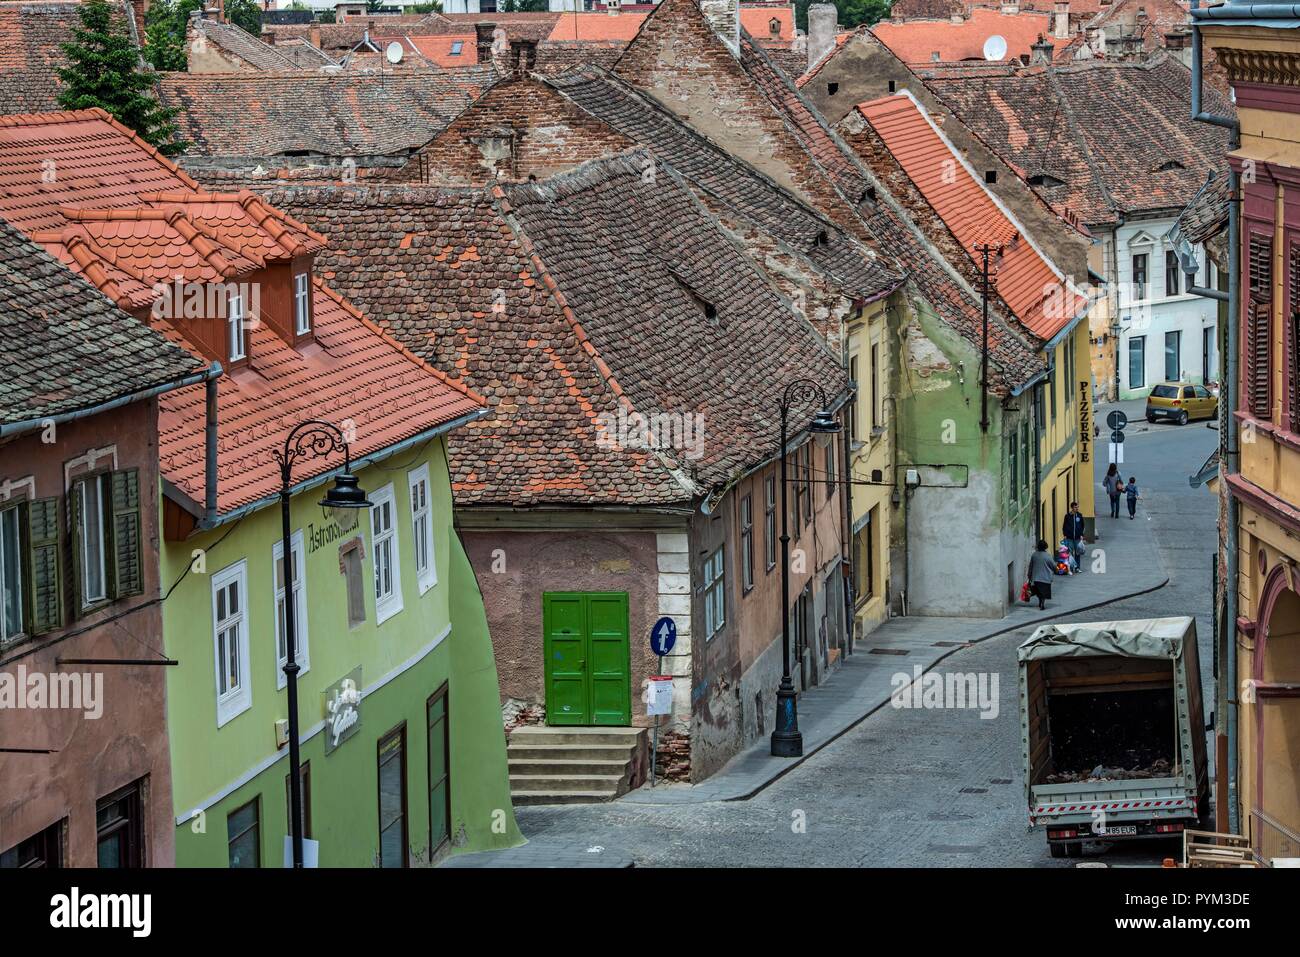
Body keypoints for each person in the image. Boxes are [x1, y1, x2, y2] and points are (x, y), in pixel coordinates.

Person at [1028, 539, 1055, 610]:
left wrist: (1029, 575)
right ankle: (1042, 603)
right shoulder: (1048, 556)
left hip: (1036, 578)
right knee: (1044, 592)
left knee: (1039, 592)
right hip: (1045, 578)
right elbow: (1053, 566)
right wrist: (1056, 570)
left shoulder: (1034, 555)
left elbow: (1031, 566)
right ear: (1046, 547)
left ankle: (1040, 601)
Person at [1062, 502, 1086, 570]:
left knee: (1077, 553)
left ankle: (1077, 567)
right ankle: (1072, 567)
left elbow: (1082, 525)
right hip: (1069, 538)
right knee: (1070, 553)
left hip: (1078, 538)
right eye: (1075, 507)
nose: (1077, 508)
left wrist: (1081, 534)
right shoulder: (1067, 516)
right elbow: (1064, 526)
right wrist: (1065, 534)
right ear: (1072, 508)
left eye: (1077, 507)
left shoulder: (1079, 515)